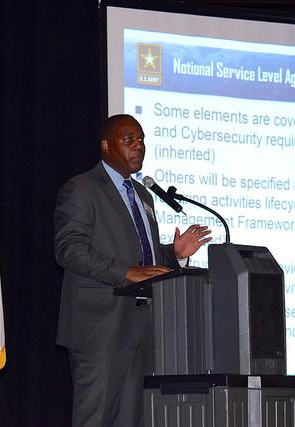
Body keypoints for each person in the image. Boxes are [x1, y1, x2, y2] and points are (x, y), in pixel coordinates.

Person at [54, 114, 211, 427]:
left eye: (141, 140)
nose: (138, 146)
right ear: (106, 146)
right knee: (95, 420)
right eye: (129, 139)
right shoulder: (82, 189)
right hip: (100, 328)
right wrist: (125, 272)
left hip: (143, 328)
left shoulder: (142, 195)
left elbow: (144, 257)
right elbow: (69, 250)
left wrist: (173, 254)